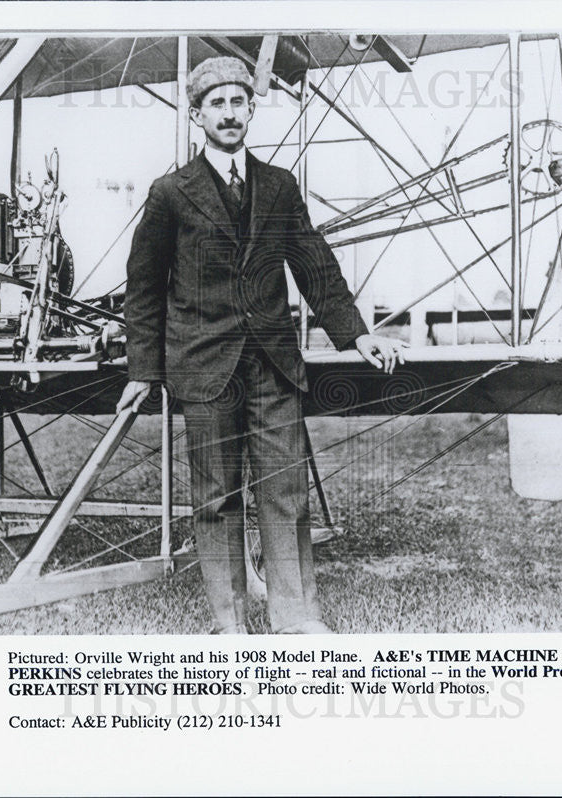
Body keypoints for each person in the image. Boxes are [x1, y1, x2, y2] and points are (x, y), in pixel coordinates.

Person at [117, 56, 405, 634]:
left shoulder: (278, 186)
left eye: (238, 102)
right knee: (217, 499)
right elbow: (144, 289)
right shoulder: (170, 193)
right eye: (216, 104)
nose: (229, 113)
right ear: (197, 115)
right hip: (205, 368)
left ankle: (296, 620)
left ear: (252, 109)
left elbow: (312, 263)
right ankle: (231, 628)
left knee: (286, 493)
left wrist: (357, 333)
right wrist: (142, 370)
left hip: (273, 367)